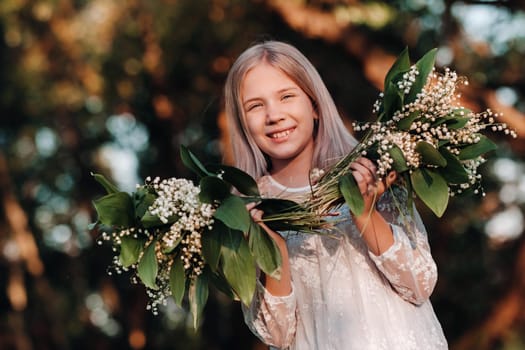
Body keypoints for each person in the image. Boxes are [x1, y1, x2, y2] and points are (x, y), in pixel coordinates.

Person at [223, 40, 448, 350]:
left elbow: (419, 284)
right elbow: (277, 334)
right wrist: (272, 246)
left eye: (286, 96)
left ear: (314, 104)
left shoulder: (369, 170)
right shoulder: (249, 208)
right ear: (242, 121)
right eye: (255, 105)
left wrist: (364, 212)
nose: (273, 115)